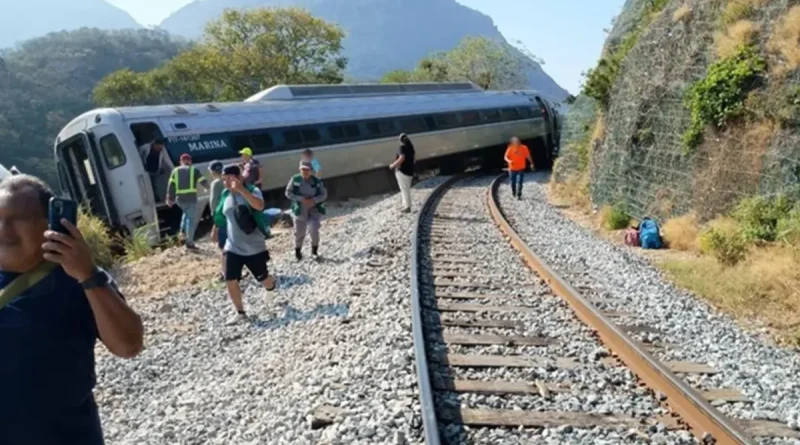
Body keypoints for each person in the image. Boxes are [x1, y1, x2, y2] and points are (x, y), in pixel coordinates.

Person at [0, 174, 143, 444]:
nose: (3, 229)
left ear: (51, 224)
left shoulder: (77, 280)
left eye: (18, 218)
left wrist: (88, 275)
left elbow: (129, 345)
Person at [212, 164, 276, 324]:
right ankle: (240, 312)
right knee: (230, 279)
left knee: (263, 278)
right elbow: (221, 213)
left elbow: (259, 206)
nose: (226, 182)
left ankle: (271, 286)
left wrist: (241, 190)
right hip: (232, 246)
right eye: (223, 179)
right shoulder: (225, 194)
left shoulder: (252, 190)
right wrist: (215, 228)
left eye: (229, 179)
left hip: (254, 246)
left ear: (239, 177)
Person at [285, 160, 328, 261]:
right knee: (299, 232)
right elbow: (288, 193)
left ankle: (314, 251)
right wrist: (301, 199)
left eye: (307, 170)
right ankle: (298, 252)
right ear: (299, 170)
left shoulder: (317, 181)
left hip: (314, 209)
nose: (305, 171)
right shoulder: (295, 179)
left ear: (311, 171)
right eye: (303, 169)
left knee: (314, 229)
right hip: (300, 209)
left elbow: (323, 194)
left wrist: (314, 200)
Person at [166, 153, 209, 250]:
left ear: (181, 162)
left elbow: (171, 186)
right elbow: (203, 181)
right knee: (191, 220)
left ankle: (182, 232)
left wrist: (169, 199)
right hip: (191, 198)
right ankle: (189, 242)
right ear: (190, 161)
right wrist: (208, 188)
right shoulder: (194, 170)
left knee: (185, 214)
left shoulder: (175, 171)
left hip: (180, 199)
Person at [137, 138, 172, 202]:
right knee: (148, 186)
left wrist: (173, 170)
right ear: (154, 144)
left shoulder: (162, 150)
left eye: (161, 146)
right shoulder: (145, 147)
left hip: (155, 171)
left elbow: (167, 160)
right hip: (146, 170)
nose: (159, 148)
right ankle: (150, 199)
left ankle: (156, 198)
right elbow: (137, 154)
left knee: (155, 186)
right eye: (158, 146)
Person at [208, 161, 226, 281]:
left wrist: (215, 224)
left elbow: (214, 204)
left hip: (222, 218)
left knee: (223, 246)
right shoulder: (229, 180)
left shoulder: (216, 183)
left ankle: (226, 273)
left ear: (213, 171)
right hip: (232, 216)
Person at [389, 133, 415, 213]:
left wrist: (392, 165)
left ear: (400, 140)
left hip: (402, 171)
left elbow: (402, 158)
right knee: (406, 189)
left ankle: (407, 207)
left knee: (404, 189)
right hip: (410, 172)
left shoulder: (401, 148)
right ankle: (406, 205)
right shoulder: (411, 148)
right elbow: (414, 160)